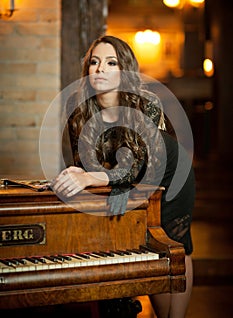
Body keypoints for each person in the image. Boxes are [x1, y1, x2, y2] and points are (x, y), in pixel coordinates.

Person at [52, 35, 195, 318]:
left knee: (176, 244)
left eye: (111, 62)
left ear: (124, 69)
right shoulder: (78, 108)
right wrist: (78, 176)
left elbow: (141, 163)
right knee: (147, 243)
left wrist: (92, 177)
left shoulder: (147, 103)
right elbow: (85, 163)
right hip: (123, 179)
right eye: (94, 62)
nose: (100, 68)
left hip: (167, 172)